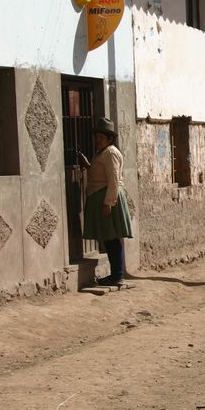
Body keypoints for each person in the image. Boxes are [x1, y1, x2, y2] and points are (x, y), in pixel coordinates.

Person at [80, 118, 133, 286]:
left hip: (108, 198)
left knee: (111, 238)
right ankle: (116, 274)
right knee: (109, 238)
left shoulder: (110, 153)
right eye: (96, 137)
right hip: (103, 197)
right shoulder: (102, 153)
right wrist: (89, 167)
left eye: (101, 137)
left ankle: (117, 275)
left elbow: (113, 179)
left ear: (109, 139)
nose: (97, 140)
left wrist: (109, 202)